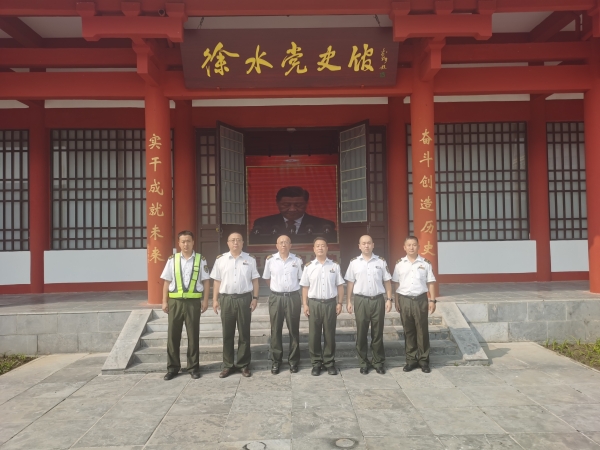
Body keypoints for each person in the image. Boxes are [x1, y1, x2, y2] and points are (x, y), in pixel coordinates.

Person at [160, 230, 210, 381]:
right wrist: (164, 301)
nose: (186, 244)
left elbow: (206, 281)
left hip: (193, 303)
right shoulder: (172, 260)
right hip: (175, 302)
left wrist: (205, 300)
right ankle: (172, 368)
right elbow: (166, 281)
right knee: (173, 336)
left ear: (193, 242)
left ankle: (193, 368)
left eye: (188, 241)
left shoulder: (200, 259)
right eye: (183, 241)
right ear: (179, 243)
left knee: (193, 336)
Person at [210, 232, 260, 378]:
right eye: (232, 240)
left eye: (238, 240)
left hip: (244, 299)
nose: (235, 242)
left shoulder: (250, 259)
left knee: (244, 333)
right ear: (228, 243)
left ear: (243, 242)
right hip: (226, 299)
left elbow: (255, 280)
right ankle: (228, 365)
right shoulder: (221, 260)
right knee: (227, 334)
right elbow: (217, 281)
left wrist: (255, 298)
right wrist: (215, 299)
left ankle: (244, 365)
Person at [345, 235, 393, 375]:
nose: (366, 245)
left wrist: (389, 299)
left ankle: (378, 362)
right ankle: (363, 362)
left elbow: (387, 281)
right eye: (363, 243)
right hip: (361, 300)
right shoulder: (354, 263)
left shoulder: (381, 261)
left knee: (377, 333)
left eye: (369, 243)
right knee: (361, 332)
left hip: (378, 300)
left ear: (373, 245)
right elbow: (350, 283)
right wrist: (349, 301)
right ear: (359, 246)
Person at [391, 236, 437, 374]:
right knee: (408, 330)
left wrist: (432, 300)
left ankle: (424, 360)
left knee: (422, 330)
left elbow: (430, 283)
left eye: (414, 245)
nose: (411, 247)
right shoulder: (399, 264)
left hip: (420, 300)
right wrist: (396, 300)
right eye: (409, 245)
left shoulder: (425, 263)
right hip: (404, 299)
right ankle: (411, 360)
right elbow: (396, 284)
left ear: (418, 247)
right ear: (404, 247)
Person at [299, 237, 345, 376]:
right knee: (314, 335)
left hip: (330, 303)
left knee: (330, 334)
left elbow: (340, 286)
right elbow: (305, 287)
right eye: (317, 246)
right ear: (314, 249)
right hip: (314, 304)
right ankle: (316, 363)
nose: (320, 248)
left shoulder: (334, 266)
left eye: (323, 245)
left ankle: (329, 362)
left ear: (327, 248)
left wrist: (339, 303)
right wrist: (305, 304)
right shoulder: (308, 267)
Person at [262, 235, 304, 374]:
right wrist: (277, 288)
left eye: (286, 242)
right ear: (277, 245)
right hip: (276, 298)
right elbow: (267, 278)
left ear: (290, 245)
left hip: (293, 297)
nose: (284, 245)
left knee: (294, 330)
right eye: (281, 242)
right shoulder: (270, 260)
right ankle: (276, 361)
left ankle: (293, 361)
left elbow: (302, 279)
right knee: (275, 330)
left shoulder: (297, 260)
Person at [250, 186, 337, 244]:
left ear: (306, 203)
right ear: (277, 203)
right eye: (286, 205)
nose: (292, 209)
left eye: (298, 205)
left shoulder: (324, 226)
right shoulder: (262, 224)